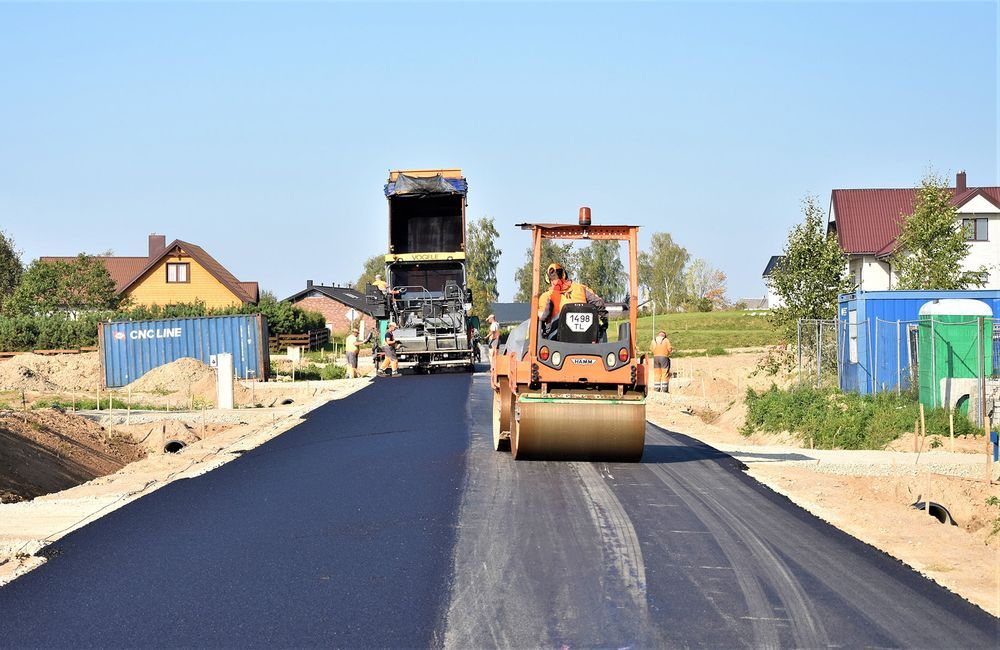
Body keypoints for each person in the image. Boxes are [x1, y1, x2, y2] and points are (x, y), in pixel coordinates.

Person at [537, 262, 607, 341]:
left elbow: (543, 316)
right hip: (587, 339)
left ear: (547, 278)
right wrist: (605, 321)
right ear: (564, 275)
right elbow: (599, 303)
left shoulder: (547, 296)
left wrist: (536, 313)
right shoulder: (581, 288)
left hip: (557, 341)